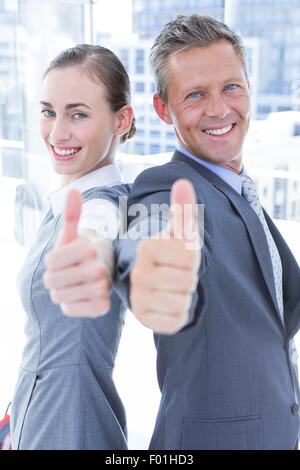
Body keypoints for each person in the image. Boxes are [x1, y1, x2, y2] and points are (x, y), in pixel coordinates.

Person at [114, 15, 300, 449]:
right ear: (163, 109)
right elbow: (150, 233)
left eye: (230, 87)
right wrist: (152, 272)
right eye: (195, 94)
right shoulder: (167, 188)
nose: (218, 109)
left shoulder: (241, 190)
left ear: (249, 87)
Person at [10, 44, 135, 450]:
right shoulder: (64, 201)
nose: (58, 132)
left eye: (78, 114)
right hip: (38, 418)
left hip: (71, 430)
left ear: (121, 120)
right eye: (49, 112)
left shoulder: (101, 207)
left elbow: (96, 238)